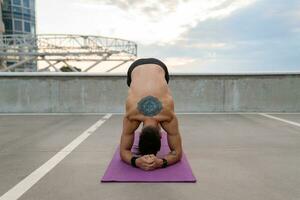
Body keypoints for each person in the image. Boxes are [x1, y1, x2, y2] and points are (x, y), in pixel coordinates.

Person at [120, 58, 183, 171]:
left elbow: (124, 151)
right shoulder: (168, 116)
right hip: (149, 67)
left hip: (147, 67)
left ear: (159, 135)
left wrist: (136, 162)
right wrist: (161, 163)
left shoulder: (132, 116)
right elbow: (177, 153)